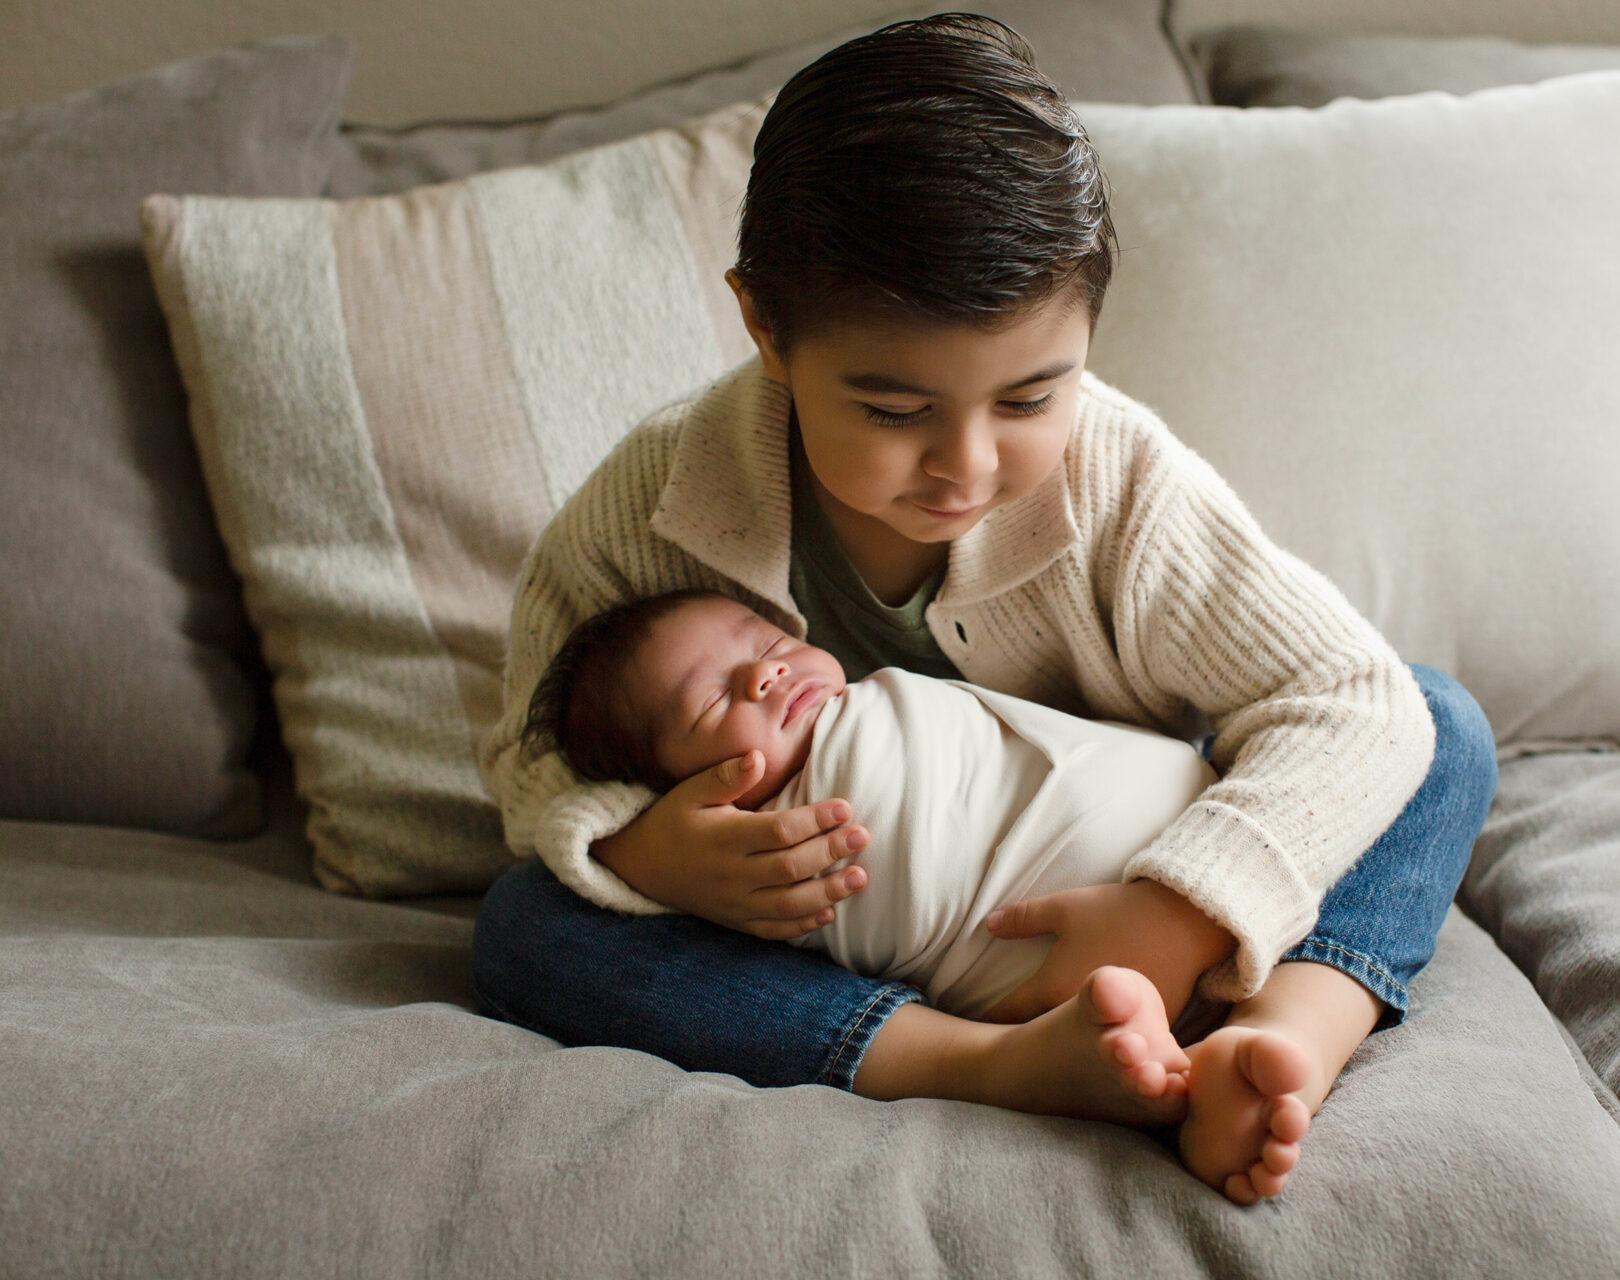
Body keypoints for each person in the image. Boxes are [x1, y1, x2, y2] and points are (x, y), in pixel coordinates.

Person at [472, 13, 1498, 1206]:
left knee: (1436, 721)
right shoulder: (658, 498)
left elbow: (1349, 698)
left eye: (1028, 399)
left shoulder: (1121, 485)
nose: (965, 464)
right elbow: (531, 756)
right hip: (865, 944)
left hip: (1120, 863)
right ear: (767, 328)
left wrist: (1174, 913)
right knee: (527, 923)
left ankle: (1278, 1043)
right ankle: (991, 1062)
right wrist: (647, 851)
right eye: (893, 410)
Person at [521, 588, 1223, 1030]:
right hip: (1061, 978)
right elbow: (539, 809)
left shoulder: (871, 703)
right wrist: (643, 853)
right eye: (711, 701)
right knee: (523, 915)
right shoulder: (745, 866)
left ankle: (1267, 1024)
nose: (765, 672)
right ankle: (1226, 1062)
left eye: (769, 642)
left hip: (1194, 832)